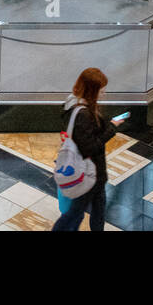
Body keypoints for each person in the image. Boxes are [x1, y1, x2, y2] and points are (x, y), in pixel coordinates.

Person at [51, 68, 118, 231]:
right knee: (75, 213)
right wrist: (111, 129)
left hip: (94, 173)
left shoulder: (76, 104)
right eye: (101, 90)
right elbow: (90, 147)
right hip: (87, 173)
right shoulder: (83, 114)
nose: (104, 93)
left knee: (98, 207)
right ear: (92, 90)